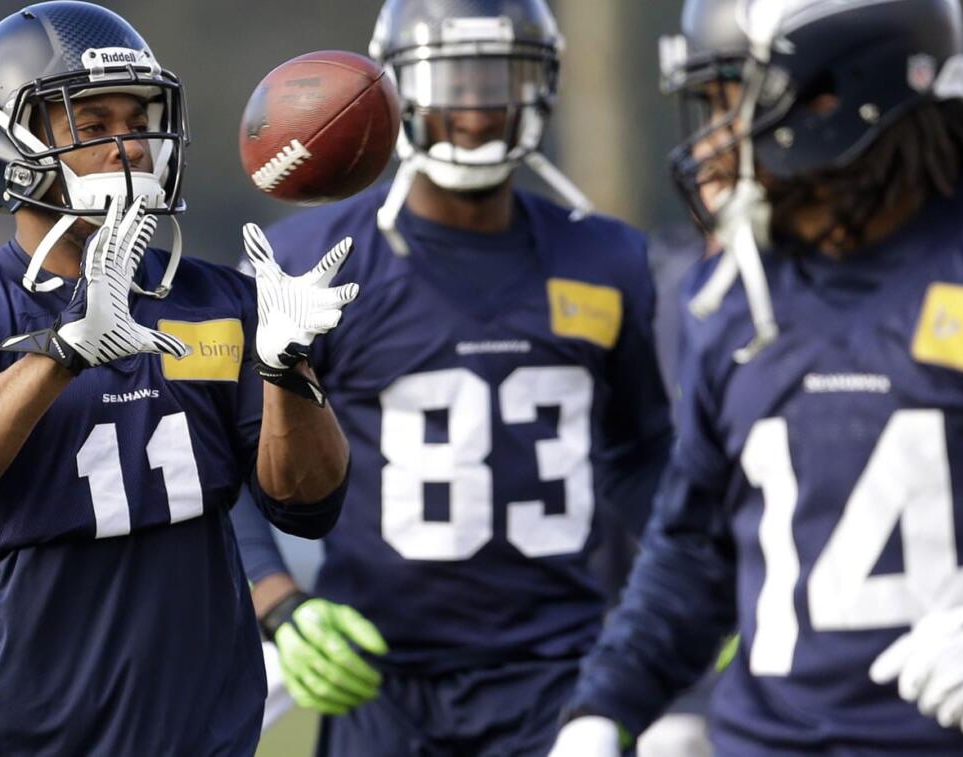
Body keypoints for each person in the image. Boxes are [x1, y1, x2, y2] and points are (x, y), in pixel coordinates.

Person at [0, 2, 359, 754]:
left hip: (204, 731)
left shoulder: (220, 300)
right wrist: (59, 354)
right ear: (6, 139)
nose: (132, 145)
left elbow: (306, 502)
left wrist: (289, 369)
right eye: (93, 126)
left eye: (141, 118)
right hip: (26, 730)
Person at [551, 0, 963, 754]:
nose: (712, 140)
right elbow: (692, 550)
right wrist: (603, 707)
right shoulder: (735, 298)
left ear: (834, 93)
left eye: (731, 98)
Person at [231, 0, 673, 754]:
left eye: (498, 81)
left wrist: (670, 605)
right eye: (453, 82)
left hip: (564, 675)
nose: (476, 113)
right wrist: (279, 602)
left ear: (541, 85)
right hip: (381, 680)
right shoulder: (316, 258)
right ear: (397, 90)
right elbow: (231, 460)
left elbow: (647, 456)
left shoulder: (609, 258)